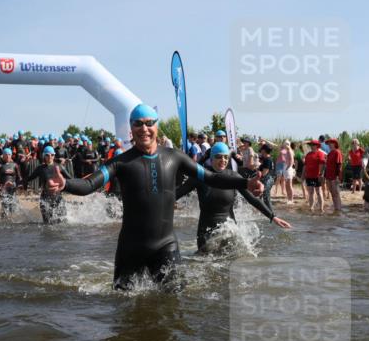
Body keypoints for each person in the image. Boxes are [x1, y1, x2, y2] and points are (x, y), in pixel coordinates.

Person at [46, 104, 264, 290]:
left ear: (156, 126)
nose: (144, 128)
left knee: (175, 305)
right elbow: (89, 184)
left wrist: (245, 183)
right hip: (130, 249)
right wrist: (66, 184)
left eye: (149, 123)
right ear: (131, 128)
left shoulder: (174, 157)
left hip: (165, 246)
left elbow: (211, 177)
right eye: (138, 123)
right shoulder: (120, 162)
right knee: (123, 308)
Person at [175, 142, 291, 252]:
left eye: (226, 157)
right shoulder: (200, 177)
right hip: (206, 234)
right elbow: (176, 194)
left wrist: (272, 216)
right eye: (219, 157)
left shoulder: (233, 177)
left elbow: (252, 199)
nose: (223, 160)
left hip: (229, 231)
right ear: (211, 158)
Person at [29, 146, 71, 224]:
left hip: (58, 197)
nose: (50, 157)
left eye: (52, 155)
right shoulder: (40, 169)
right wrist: (19, 183)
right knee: (47, 224)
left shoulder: (59, 167)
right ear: (44, 156)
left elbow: (70, 179)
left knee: (63, 222)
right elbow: (29, 178)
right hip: (45, 199)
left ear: (54, 156)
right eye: (47, 155)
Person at [0, 147, 20, 218]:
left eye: (9, 154)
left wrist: (17, 185)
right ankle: (3, 222)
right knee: (5, 205)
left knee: (13, 207)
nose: (8, 156)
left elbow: (19, 178)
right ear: (3, 155)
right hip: (3, 188)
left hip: (12, 188)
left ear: (11, 155)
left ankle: (11, 223)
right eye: (6, 154)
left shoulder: (15, 165)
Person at [302, 139, 327, 213]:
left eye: (313, 145)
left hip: (317, 176)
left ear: (317, 146)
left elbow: (322, 165)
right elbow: (305, 166)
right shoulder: (308, 154)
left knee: (319, 192)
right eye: (311, 145)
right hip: (309, 176)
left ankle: (321, 208)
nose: (312, 146)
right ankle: (311, 207)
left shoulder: (320, 154)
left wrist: (320, 174)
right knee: (311, 192)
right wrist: (303, 175)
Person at [324, 138, 343, 213]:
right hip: (328, 176)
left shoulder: (337, 152)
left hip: (334, 176)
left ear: (335, 144)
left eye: (330, 143)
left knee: (336, 193)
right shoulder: (329, 153)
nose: (329, 145)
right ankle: (336, 208)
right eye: (328, 143)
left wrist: (339, 176)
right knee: (332, 193)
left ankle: (338, 209)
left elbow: (340, 165)